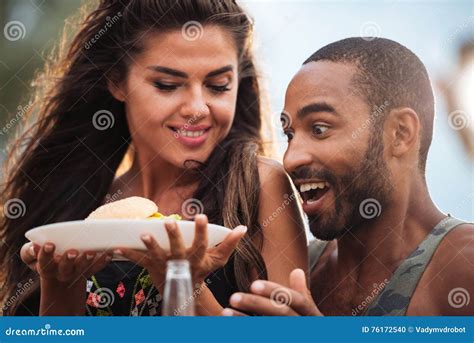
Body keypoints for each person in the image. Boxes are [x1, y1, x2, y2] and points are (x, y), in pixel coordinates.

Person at [0, 0, 307, 316]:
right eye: (168, 85)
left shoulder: (258, 187)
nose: (197, 109)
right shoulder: (79, 209)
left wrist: (185, 286)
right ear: (117, 81)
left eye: (218, 86)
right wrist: (61, 286)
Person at [222, 37, 474, 316]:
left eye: (319, 129)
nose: (291, 159)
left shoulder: (464, 268)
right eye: (289, 135)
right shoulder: (294, 271)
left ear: (400, 133)